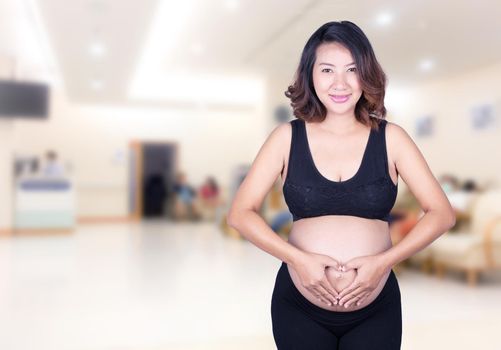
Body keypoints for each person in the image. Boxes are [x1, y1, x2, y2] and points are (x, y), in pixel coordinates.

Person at [227, 20, 455, 350]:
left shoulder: (391, 138)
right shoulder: (286, 138)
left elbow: (441, 213)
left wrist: (383, 262)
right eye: (327, 70)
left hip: (376, 311)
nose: (340, 83)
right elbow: (240, 213)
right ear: (310, 75)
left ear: (367, 74)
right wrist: (297, 259)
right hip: (298, 308)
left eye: (352, 70)